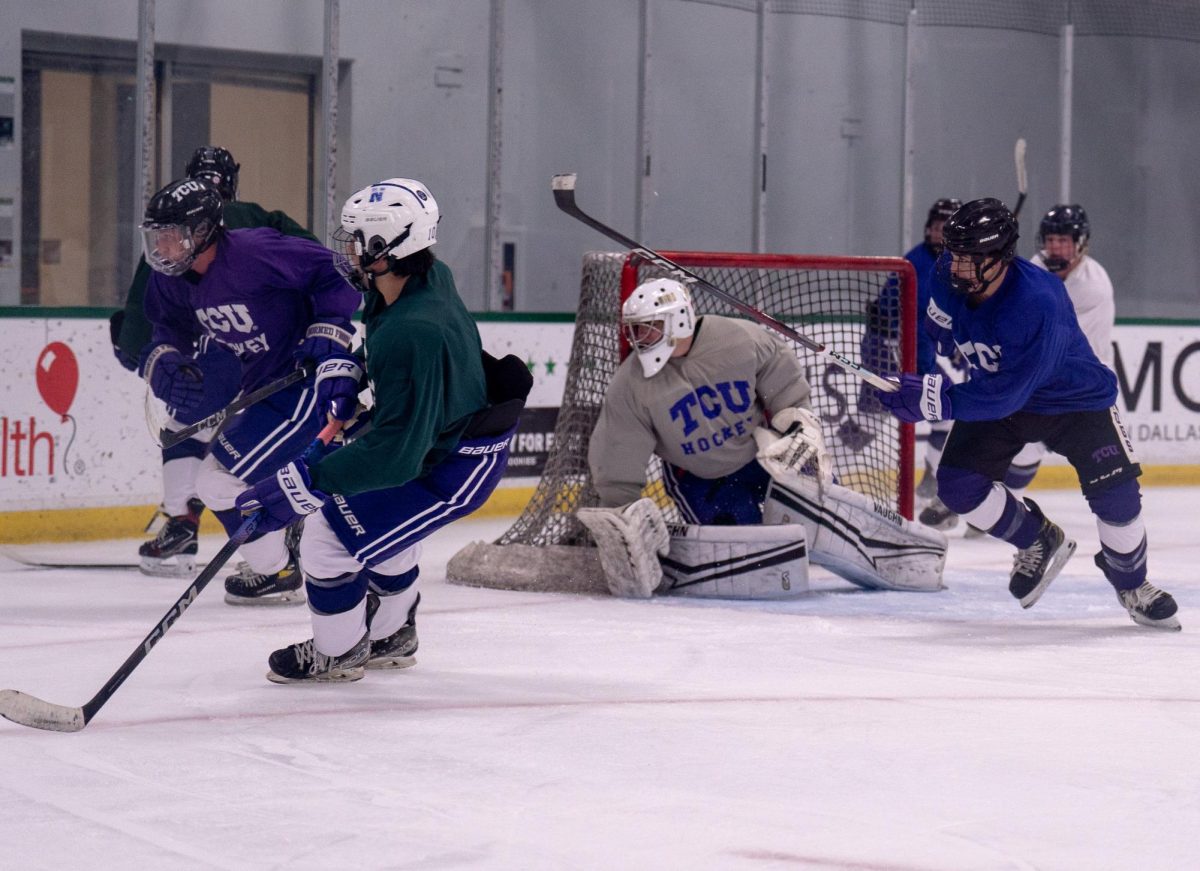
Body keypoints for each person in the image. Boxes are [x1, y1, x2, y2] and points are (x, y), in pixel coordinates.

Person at [234, 178, 531, 683]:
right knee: (373, 527)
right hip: (445, 437)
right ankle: (392, 634)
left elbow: (397, 455)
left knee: (327, 538)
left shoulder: (417, 329)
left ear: (386, 247)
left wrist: (310, 483)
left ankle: (339, 651)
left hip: (451, 463)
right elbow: (386, 348)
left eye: (355, 241)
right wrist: (351, 368)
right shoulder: (419, 280)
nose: (346, 252)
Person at [876, 197, 1180, 630]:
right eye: (954, 254)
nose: (958, 267)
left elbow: (1009, 395)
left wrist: (935, 399)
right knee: (958, 487)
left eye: (970, 258)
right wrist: (925, 370)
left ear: (1000, 259)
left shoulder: (1040, 302)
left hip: (1075, 401)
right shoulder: (947, 274)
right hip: (1002, 392)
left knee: (1118, 499)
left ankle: (1133, 583)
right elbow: (940, 330)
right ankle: (1038, 538)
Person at [579, 278, 947, 600]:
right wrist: (621, 511)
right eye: (635, 329)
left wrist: (798, 424)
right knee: (745, 558)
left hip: (766, 458)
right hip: (700, 479)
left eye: (647, 328)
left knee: (825, 504)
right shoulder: (630, 384)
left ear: (678, 320)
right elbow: (618, 451)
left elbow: (781, 376)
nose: (637, 338)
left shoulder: (738, 338)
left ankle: (901, 556)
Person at [138, 175, 360, 605]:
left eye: (170, 237)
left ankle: (276, 567)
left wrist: (329, 326)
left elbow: (338, 272)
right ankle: (283, 546)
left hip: (305, 382)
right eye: (156, 238)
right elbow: (168, 325)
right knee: (222, 481)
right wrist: (164, 357)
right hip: (262, 389)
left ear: (201, 232)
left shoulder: (257, 253)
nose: (160, 248)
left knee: (216, 482)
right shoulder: (172, 277)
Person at [110, 145, 319, 576]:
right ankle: (284, 532)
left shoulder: (174, 231)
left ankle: (183, 521)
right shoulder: (258, 217)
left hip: (211, 358)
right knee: (249, 448)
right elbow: (314, 259)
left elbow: (147, 297)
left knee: (184, 427)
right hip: (269, 355)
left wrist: (135, 349)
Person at [994, 204, 1117, 501]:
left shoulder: (1094, 288)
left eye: (1063, 241)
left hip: (1084, 386)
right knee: (1021, 441)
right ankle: (999, 499)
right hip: (1043, 376)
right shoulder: (1037, 265)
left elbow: (1062, 347)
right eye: (1050, 240)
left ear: (1080, 243)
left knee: (1108, 468)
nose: (1055, 248)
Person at [859, 198, 966, 531]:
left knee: (950, 415)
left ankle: (930, 479)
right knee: (865, 430)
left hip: (919, 362)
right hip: (890, 358)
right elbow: (894, 315)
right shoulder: (916, 262)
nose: (938, 233)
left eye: (946, 229)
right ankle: (823, 477)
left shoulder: (955, 266)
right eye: (936, 227)